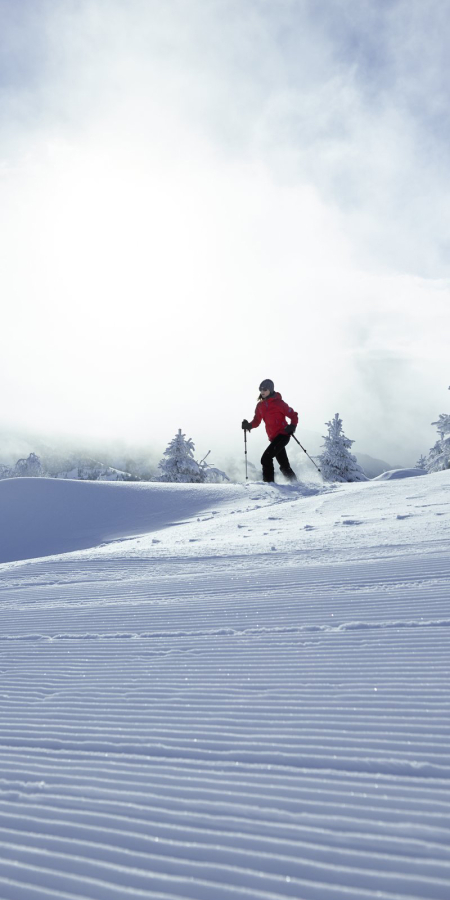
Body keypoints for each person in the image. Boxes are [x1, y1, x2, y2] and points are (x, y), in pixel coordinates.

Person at [242, 379, 298, 483]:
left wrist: (292, 426)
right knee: (284, 466)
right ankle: (295, 483)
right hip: (273, 438)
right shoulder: (260, 406)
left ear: (271, 390)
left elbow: (293, 415)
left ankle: (269, 484)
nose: (262, 391)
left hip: (283, 435)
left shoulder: (279, 403)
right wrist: (248, 425)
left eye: (265, 389)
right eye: (260, 389)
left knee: (265, 459)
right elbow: (257, 421)